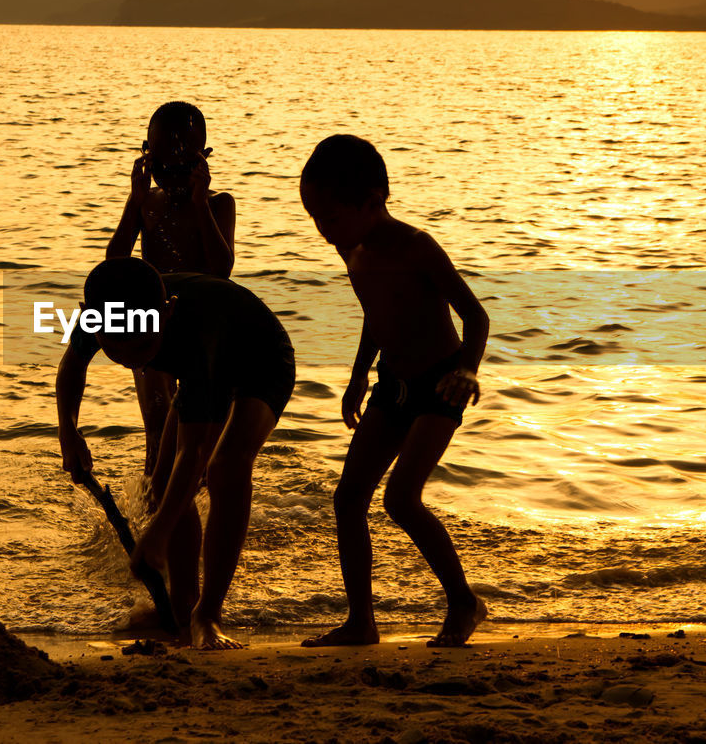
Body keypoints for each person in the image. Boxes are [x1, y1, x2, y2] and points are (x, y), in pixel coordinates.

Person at [297, 134, 490, 648]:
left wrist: (468, 371)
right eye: (313, 217)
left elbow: (475, 316)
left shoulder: (416, 247)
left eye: (331, 217)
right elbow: (374, 312)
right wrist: (360, 374)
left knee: (402, 499)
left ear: (371, 201)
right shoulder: (350, 246)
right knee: (348, 499)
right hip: (392, 384)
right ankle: (362, 621)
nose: (323, 231)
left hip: (440, 384)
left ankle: (464, 602)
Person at [56, 258, 293, 649]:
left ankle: (208, 614)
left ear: (167, 311)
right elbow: (71, 366)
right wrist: (69, 430)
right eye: (119, 349)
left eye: (146, 347)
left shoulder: (195, 331)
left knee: (225, 468)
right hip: (201, 368)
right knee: (161, 488)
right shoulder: (103, 316)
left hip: (260, 359)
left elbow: (194, 450)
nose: (136, 360)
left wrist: (158, 533)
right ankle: (183, 607)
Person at [104, 102, 235, 479]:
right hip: (154, 330)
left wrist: (199, 205)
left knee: (201, 437)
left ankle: (195, 510)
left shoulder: (218, 204)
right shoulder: (148, 204)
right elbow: (116, 262)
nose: (172, 178)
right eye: (162, 166)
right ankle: (153, 513)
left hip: (202, 331)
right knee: (158, 434)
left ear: (202, 162)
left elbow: (221, 270)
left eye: (183, 167)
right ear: (146, 158)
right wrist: (135, 198)